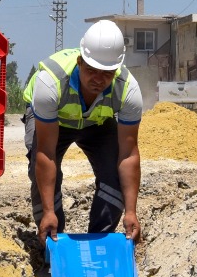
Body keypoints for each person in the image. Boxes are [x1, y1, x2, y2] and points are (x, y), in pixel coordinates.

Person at [22, 20, 143, 244]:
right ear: (80, 61)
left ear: (116, 69)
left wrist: (131, 211)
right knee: (43, 175)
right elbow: (46, 152)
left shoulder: (127, 89)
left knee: (114, 173)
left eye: (106, 73)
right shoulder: (51, 82)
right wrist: (48, 212)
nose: (98, 79)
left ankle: (99, 241)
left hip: (96, 123)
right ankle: (52, 240)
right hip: (52, 121)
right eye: (91, 71)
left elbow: (128, 155)